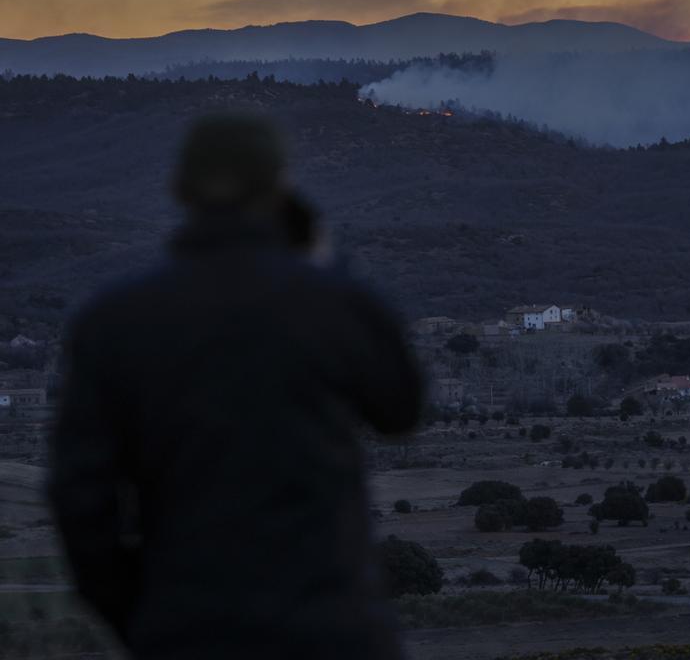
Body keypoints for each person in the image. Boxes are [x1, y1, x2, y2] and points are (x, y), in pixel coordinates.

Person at [48, 113, 425, 659]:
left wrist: (136, 612)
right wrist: (324, 264)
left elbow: (79, 496)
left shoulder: (113, 320)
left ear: (179, 190)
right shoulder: (332, 304)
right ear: (279, 187)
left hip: (187, 627)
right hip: (333, 627)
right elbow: (400, 410)